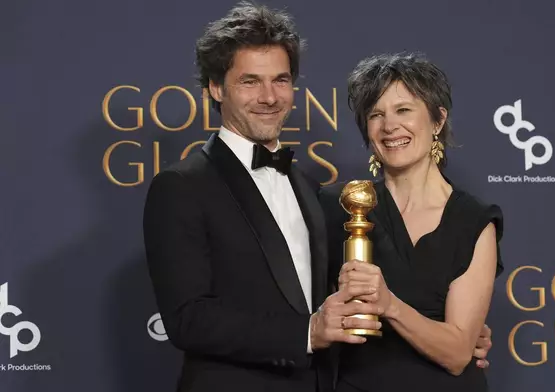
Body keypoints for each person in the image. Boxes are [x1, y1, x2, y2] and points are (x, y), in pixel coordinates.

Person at [142, 3, 384, 392]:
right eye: (250, 81)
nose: (269, 97)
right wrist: (306, 332)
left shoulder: (306, 184)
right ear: (216, 88)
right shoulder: (181, 186)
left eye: (281, 80)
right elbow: (188, 319)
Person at [318, 52, 504, 392]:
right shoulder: (337, 206)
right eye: (376, 115)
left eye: (404, 110)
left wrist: (389, 306)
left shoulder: (474, 221)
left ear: (437, 120)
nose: (390, 126)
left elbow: (459, 352)